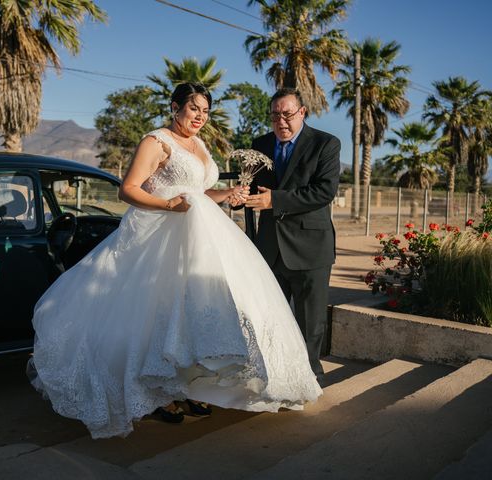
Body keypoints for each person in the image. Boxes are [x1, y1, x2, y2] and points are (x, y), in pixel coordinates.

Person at [28, 82, 322, 439]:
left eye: (205, 111)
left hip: (202, 239)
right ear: (174, 107)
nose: (200, 116)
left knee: (192, 315)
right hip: (160, 239)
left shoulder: (198, 144)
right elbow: (129, 189)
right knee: (156, 313)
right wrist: (168, 205)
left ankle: (187, 388)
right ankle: (157, 393)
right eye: (193, 108)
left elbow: (197, 194)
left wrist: (226, 193)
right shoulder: (156, 141)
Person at [245, 87, 341, 382]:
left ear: (302, 113)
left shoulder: (326, 144)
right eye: (275, 115)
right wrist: (240, 194)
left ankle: (309, 378)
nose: (281, 121)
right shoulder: (258, 144)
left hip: (310, 248)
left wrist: (275, 200)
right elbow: (252, 188)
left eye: (287, 114)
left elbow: (324, 192)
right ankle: (273, 375)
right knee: (269, 319)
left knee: (309, 322)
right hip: (270, 247)